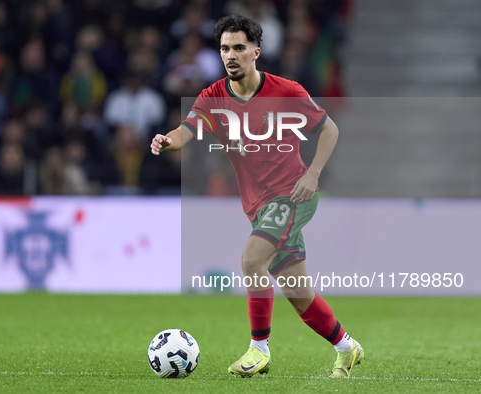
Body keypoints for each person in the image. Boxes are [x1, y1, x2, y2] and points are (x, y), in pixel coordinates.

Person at [150, 15, 364, 378]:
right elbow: (188, 129)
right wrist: (168, 141)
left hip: (294, 194)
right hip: (258, 206)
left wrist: (313, 175)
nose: (230, 55)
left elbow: (329, 129)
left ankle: (258, 349)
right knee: (298, 294)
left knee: (251, 261)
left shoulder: (287, 91)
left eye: (238, 48)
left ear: (255, 52)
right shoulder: (213, 96)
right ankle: (347, 348)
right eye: (224, 49)